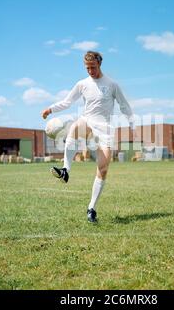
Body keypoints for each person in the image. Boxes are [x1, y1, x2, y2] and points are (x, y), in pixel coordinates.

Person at [41, 51, 134, 223]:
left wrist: (132, 123)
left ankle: (91, 208)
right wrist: (50, 109)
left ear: (99, 64)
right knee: (76, 126)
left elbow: (124, 105)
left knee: (103, 168)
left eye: (93, 67)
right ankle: (65, 170)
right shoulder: (82, 84)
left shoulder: (112, 85)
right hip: (88, 120)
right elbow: (67, 102)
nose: (90, 71)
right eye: (87, 68)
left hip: (104, 128)